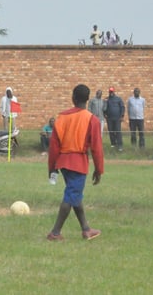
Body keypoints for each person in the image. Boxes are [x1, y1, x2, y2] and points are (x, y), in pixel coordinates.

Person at [46, 84, 104, 241]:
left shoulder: (61, 118)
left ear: (73, 98)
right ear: (87, 100)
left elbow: (53, 147)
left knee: (74, 194)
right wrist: (99, 170)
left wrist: (52, 168)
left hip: (63, 163)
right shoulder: (92, 120)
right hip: (78, 163)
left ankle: (86, 229)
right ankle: (55, 233)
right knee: (71, 195)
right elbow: (97, 149)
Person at [104, 87, 125, 151]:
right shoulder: (107, 100)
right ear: (109, 92)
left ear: (114, 92)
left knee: (118, 131)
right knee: (111, 131)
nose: (111, 93)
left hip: (117, 118)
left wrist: (122, 116)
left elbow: (122, 107)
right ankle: (113, 144)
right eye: (110, 92)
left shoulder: (118, 99)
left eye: (112, 92)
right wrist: (104, 114)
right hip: (109, 118)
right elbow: (104, 108)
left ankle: (120, 145)